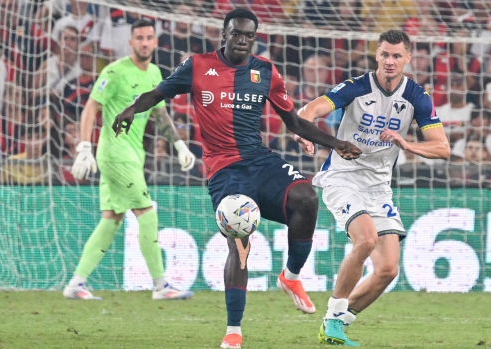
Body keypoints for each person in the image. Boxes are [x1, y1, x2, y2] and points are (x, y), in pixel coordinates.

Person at [110, 9, 361, 349]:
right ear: (224, 34)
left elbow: (295, 123)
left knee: (306, 197)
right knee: (240, 244)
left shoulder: (265, 71)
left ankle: (291, 277)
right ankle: (233, 331)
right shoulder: (197, 66)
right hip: (224, 171)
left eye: (249, 35)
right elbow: (157, 93)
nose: (242, 40)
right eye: (236, 33)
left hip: (259, 160)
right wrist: (129, 110)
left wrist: (338, 144)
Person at [297, 29, 450, 346]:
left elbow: (442, 148)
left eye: (397, 55)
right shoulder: (356, 87)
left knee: (388, 270)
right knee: (365, 241)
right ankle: (335, 316)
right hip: (343, 177)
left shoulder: (416, 98)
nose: (390, 61)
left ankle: (334, 321)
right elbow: (309, 111)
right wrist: (303, 131)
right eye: (384, 54)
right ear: (376, 55)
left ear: (408, 57)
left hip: (379, 188)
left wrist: (406, 143)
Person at [62, 19, 196, 301]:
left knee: (112, 217)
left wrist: (180, 145)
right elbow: (91, 108)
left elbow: (159, 115)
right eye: (139, 38)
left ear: (155, 42)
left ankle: (76, 282)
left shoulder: (156, 73)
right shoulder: (115, 71)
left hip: (134, 155)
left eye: (149, 37)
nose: (145, 42)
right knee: (146, 212)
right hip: (115, 153)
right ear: (131, 42)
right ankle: (161, 286)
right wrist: (84, 147)